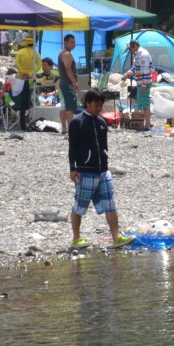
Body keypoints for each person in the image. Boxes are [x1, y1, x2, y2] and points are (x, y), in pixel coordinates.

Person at [68, 90, 135, 249]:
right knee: (80, 206)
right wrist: (73, 168)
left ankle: (116, 237)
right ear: (87, 104)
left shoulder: (102, 122)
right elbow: (73, 147)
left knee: (110, 204)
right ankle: (76, 239)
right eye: (96, 105)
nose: (99, 108)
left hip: (103, 171)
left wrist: (105, 159)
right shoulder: (77, 123)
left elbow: (104, 146)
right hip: (85, 171)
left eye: (100, 105)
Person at [13, 37, 41, 132]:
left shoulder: (20, 52)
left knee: (19, 99)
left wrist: (22, 72)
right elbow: (39, 67)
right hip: (30, 80)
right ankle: (28, 120)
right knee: (29, 99)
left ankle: (18, 120)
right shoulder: (36, 54)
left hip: (20, 78)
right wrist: (29, 74)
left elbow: (17, 63)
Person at [127, 40, 153, 130]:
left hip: (143, 83)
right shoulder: (137, 55)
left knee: (145, 104)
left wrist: (144, 86)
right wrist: (127, 74)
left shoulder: (143, 55)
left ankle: (148, 124)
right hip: (140, 83)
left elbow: (145, 71)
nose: (130, 51)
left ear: (134, 46)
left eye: (130, 48)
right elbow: (134, 68)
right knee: (142, 103)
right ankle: (147, 123)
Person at [58, 34, 80, 134]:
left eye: (74, 42)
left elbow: (59, 69)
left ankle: (64, 128)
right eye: (71, 42)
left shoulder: (61, 53)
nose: (74, 44)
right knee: (69, 107)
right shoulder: (67, 54)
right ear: (66, 42)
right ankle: (71, 129)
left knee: (63, 106)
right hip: (67, 84)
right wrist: (74, 82)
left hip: (63, 83)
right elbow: (68, 69)